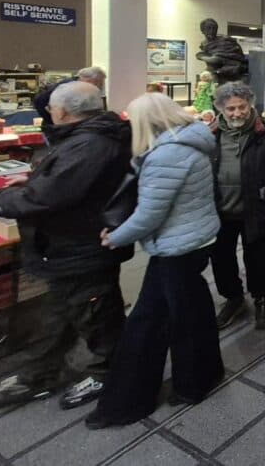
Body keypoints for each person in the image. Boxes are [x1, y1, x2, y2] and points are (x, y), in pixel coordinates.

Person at [86, 94, 223, 428]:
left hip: (176, 248)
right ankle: (197, 380)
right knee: (190, 313)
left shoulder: (167, 155)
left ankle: (128, 402)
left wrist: (115, 237)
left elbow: (150, 213)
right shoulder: (192, 142)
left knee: (148, 322)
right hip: (194, 240)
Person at [0, 82, 130, 410]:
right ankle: (40, 373)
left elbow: (52, 196)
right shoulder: (88, 136)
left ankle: (108, 373)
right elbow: (66, 183)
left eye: (52, 108)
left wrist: (0, 198)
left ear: (64, 111)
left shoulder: (90, 143)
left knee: (97, 316)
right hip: (67, 249)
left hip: (81, 249)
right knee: (60, 315)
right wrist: (37, 180)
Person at [209, 82, 265, 331]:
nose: (237, 113)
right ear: (221, 108)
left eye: (241, 107)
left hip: (255, 208)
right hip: (220, 210)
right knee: (221, 257)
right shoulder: (211, 133)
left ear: (250, 105)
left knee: (256, 255)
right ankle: (233, 299)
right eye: (230, 109)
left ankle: (261, 296)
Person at [32, 66, 106, 127]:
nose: (99, 86)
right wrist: (54, 121)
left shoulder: (80, 87)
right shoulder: (67, 86)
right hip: (59, 127)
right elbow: (39, 101)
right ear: (90, 79)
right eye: (99, 83)